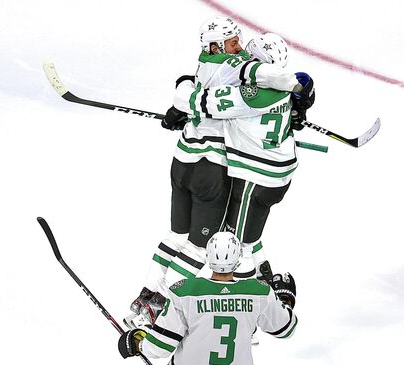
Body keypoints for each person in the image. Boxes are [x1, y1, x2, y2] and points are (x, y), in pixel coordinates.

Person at [127, 19, 311, 328]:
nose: (239, 47)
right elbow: (258, 79)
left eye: (240, 41)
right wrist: (298, 92)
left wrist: (183, 108)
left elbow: (185, 85)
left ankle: (145, 294)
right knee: (202, 247)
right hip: (210, 171)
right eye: (233, 42)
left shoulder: (205, 63)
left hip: (182, 159)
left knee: (177, 235)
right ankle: (157, 306)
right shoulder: (242, 73)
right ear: (215, 46)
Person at [171, 32, 315, 283]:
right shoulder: (285, 87)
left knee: (237, 246)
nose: (242, 55)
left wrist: (181, 107)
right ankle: (266, 277)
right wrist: (300, 109)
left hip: (256, 177)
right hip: (278, 174)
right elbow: (304, 86)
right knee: (248, 231)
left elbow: (201, 102)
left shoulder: (246, 93)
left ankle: (252, 297)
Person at [117, 232, 298, 365]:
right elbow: (286, 329)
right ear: (238, 258)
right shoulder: (259, 292)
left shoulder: (184, 292)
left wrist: (137, 343)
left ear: (208, 256)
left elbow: (160, 347)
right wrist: (284, 300)